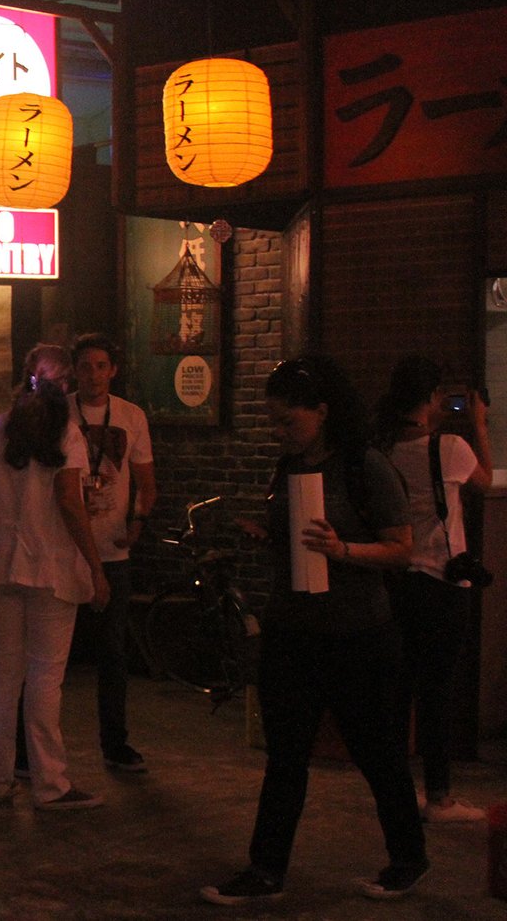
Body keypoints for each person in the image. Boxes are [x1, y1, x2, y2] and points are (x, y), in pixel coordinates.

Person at [202, 356, 426, 906]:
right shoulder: (287, 469)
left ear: (322, 411)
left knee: (377, 754)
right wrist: (267, 535)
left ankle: (408, 859)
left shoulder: (364, 466)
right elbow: (294, 540)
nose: (280, 432)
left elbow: (402, 550)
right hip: (293, 631)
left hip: (359, 635)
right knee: (285, 757)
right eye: (273, 421)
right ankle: (266, 870)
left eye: (288, 421)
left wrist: (341, 549)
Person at [0, 343, 110, 811]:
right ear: (66, 385)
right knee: (45, 676)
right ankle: (51, 785)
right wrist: (96, 568)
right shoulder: (66, 433)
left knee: (3, 673)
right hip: (49, 566)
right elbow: (69, 503)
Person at [375, 356, 493, 823]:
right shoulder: (451, 447)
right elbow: (484, 481)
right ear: (429, 398)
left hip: (395, 581)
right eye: (441, 395)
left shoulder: (382, 448)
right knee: (436, 693)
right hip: (441, 583)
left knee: (397, 691)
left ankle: (393, 793)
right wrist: (478, 423)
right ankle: (439, 797)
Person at [68, 333, 156, 772]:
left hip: (112, 551)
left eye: (101, 366)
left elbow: (147, 482)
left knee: (113, 654)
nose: (94, 375)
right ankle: (30, 751)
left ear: (113, 370)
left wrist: (137, 522)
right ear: (74, 371)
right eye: (86, 366)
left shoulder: (131, 416)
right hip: (65, 549)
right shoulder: (60, 413)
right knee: (49, 655)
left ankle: (115, 743)